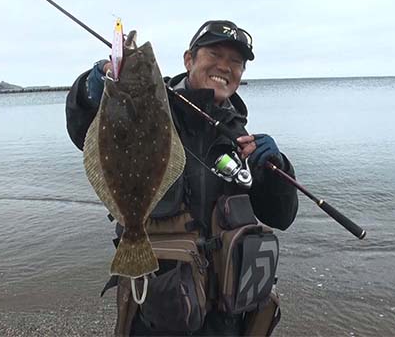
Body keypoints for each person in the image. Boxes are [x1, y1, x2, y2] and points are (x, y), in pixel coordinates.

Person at [66, 20, 298, 335]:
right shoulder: (155, 108)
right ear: (189, 59)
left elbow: (281, 216)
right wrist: (99, 81)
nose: (224, 67)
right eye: (214, 54)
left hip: (226, 319)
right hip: (162, 307)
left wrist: (277, 168)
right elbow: (85, 128)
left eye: (235, 62)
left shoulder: (243, 141)